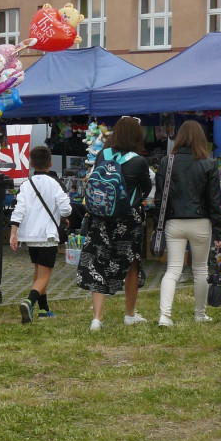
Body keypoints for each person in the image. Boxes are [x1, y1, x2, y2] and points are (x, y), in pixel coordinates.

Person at [75, 116, 153, 331]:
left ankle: (97, 318)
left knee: (97, 263)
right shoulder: (138, 161)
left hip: (100, 218)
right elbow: (145, 189)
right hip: (128, 221)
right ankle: (129, 314)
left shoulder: (103, 154)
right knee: (131, 263)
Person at [155, 120, 221, 327]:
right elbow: (215, 202)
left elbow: (160, 198)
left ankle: (165, 315)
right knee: (200, 269)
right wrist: (220, 233)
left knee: (173, 270)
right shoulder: (209, 163)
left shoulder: (167, 162)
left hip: (174, 222)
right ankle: (199, 314)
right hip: (201, 223)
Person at [10, 146, 72, 322]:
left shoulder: (26, 184)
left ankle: (44, 309)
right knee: (44, 276)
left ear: (30, 163)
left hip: (30, 237)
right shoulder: (55, 183)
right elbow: (66, 209)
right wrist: (63, 216)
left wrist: (14, 232)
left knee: (38, 273)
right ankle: (29, 302)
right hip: (47, 236)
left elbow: (19, 210)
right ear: (50, 163)